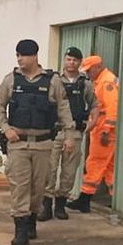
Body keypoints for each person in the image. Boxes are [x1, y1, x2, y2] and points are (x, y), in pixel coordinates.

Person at [0, 39, 77, 245]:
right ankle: (20, 228)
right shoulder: (11, 80)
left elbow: (64, 109)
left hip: (43, 143)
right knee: (20, 185)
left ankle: (31, 220)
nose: (20, 59)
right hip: (18, 143)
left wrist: (69, 135)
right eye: (17, 55)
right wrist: (6, 128)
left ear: (35, 56)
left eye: (23, 55)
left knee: (39, 187)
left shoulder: (52, 81)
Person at [39, 48, 99, 221]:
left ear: (80, 63)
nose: (71, 63)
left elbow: (94, 104)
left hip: (75, 133)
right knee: (49, 169)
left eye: (75, 60)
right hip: (54, 132)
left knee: (69, 171)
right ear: (64, 60)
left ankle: (60, 205)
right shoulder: (54, 80)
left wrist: (93, 122)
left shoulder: (85, 83)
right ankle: (46, 206)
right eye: (68, 59)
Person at [68, 55, 119, 213]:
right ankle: (115, 198)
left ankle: (85, 199)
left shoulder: (106, 82)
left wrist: (106, 131)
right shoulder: (101, 81)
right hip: (101, 129)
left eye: (89, 70)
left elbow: (112, 108)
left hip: (104, 131)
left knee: (95, 163)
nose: (88, 74)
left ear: (98, 67)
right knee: (109, 167)